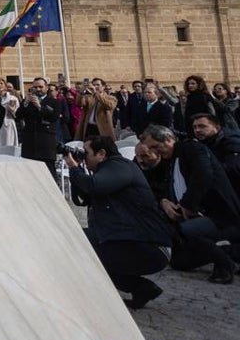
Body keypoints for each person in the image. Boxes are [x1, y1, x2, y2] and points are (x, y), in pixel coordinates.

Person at [66, 135, 171, 309]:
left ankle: (81, 298)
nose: (84, 157)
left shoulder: (120, 166)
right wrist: (77, 170)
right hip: (132, 240)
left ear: (101, 154)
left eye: (86, 153)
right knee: (81, 241)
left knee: (80, 244)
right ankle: (142, 289)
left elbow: (93, 186)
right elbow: (86, 196)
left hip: (149, 245)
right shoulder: (109, 170)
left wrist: (74, 167)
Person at [140, 125, 238, 284]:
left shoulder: (191, 148)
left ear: (169, 140)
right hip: (191, 214)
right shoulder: (170, 160)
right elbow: (161, 188)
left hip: (218, 215)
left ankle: (225, 260)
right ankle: (220, 251)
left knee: (179, 232)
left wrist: (187, 205)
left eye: (156, 147)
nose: (155, 152)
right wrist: (165, 202)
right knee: (178, 261)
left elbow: (203, 175)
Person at [16, 77, 68, 180]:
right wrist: (25, 103)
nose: (38, 89)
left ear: (46, 87)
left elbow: (54, 117)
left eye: (40, 87)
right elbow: (18, 115)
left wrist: (40, 107)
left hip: (46, 142)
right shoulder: (28, 101)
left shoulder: (53, 101)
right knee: (30, 173)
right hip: (30, 141)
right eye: (35, 87)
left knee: (48, 172)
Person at [191, 112, 240, 195]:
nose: (197, 130)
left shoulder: (232, 142)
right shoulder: (207, 141)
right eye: (194, 127)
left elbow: (233, 168)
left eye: (202, 126)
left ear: (217, 127)